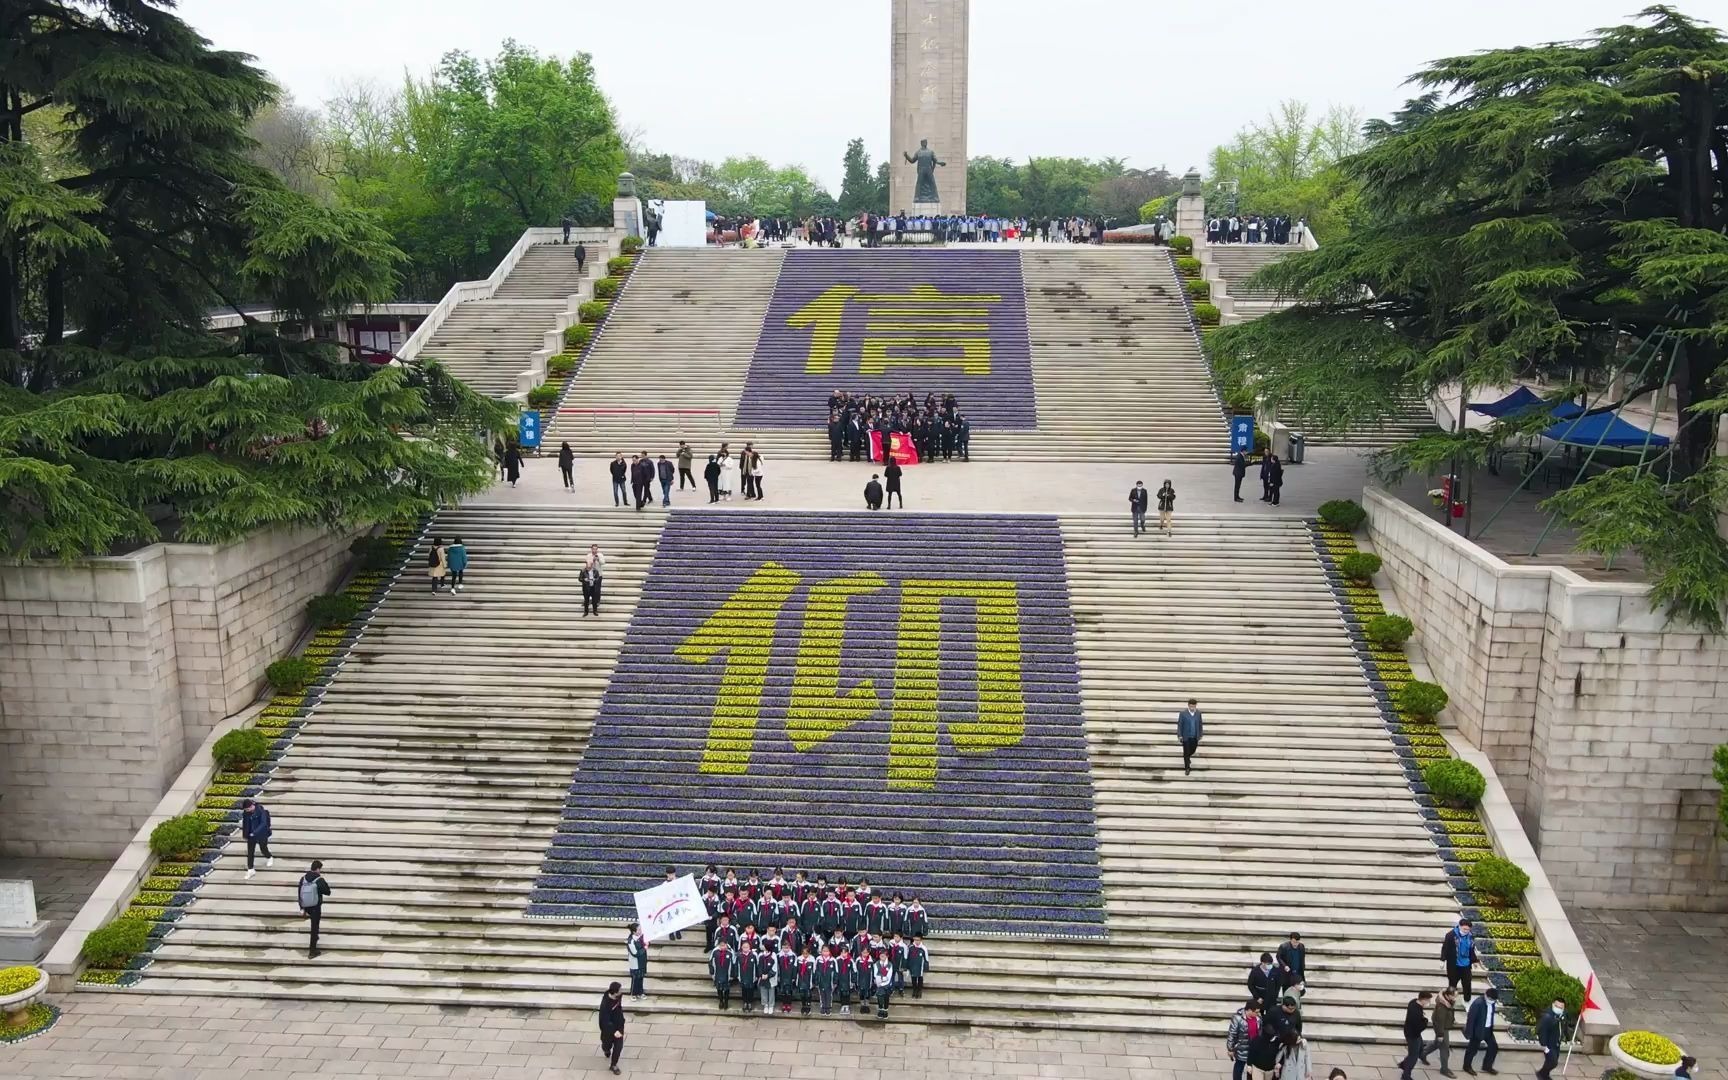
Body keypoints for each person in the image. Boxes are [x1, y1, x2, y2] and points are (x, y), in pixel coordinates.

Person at [1462, 985, 1499, 1075]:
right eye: (1490, 999)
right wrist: (1469, 1033)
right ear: (1486, 995)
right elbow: (1471, 1019)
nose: (1492, 1001)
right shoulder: (1478, 1003)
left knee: (1493, 1047)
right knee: (1472, 1049)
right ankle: (1467, 1066)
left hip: (1488, 1029)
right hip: (1478, 1030)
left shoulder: (1492, 1003)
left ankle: (1487, 1066)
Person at [297, 860, 331, 958]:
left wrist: (301, 908)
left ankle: (315, 938)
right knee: (314, 928)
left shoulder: (303, 878)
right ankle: (312, 951)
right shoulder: (319, 879)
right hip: (315, 907)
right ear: (317, 869)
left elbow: (299, 892)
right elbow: (327, 891)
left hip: (306, 906)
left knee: (314, 928)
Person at [1399, 991, 1434, 1080]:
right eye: (1428, 1000)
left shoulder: (1413, 1002)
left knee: (1419, 1048)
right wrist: (1425, 1022)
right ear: (1424, 1000)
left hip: (1410, 1032)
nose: (1429, 1002)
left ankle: (1403, 1064)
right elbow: (1418, 1027)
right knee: (1413, 1056)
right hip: (1413, 1035)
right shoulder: (1416, 1012)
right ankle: (1406, 1075)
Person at [1426, 987, 1459, 1077]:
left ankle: (1422, 1054)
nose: (1456, 998)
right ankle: (1444, 1069)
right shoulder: (1442, 1006)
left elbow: (1450, 1011)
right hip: (1442, 1028)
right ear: (1448, 996)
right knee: (1445, 1049)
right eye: (1454, 996)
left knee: (1437, 1044)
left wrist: (1452, 1019)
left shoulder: (1449, 1001)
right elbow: (1439, 1021)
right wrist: (1440, 1034)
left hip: (1445, 1025)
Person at [1442, 919, 1478, 1000]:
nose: (1466, 931)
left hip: (1466, 965)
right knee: (1452, 984)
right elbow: (1445, 948)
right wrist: (1442, 960)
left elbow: (1471, 949)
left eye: (1468, 929)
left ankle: (1467, 1000)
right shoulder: (1451, 935)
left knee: (1467, 984)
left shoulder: (1470, 936)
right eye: (1464, 929)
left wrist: (1474, 961)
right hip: (1454, 965)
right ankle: (1450, 999)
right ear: (1460, 926)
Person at [1227, 999, 1260, 1080]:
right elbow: (1232, 1034)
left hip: (1254, 1048)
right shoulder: (1237, 1018)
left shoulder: (1258, 1018)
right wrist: (1230, 1048)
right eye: (1256, 1012)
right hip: (1242, 1048)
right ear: (1249, 1010)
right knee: (1239, 1067)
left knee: (1252, 1069)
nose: (1257, 1013)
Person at [240, 798, 272, 879]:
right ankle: (250, 869)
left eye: (247, 809)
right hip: (250, 836)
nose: (246, 810)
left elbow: (263, 823)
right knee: (250, 852)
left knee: (263, 848)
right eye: (245, 809)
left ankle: (269, 857)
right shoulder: (246, 813)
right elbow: (245, 824)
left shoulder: (261, 811)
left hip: (261, 834)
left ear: (252, 806)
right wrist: (245, 834)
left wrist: (255, 832)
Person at [598, 981, 625, 1075]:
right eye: (620, 990)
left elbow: (619, 1007)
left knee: (619, 1046)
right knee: (607, 1044)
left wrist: (621, 1025)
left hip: (618, 1025)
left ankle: (613, 1065)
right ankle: (606, 1049)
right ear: (614, 993)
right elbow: (605, 1021)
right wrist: (613, 1031)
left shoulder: (619, 996)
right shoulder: (605, 1005)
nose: (622, 991)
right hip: (608, 1029)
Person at [1535, 1000, 1564, 1080]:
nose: (1559, 1008)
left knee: (1551, 1061)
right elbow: (1542, 1031)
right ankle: (1541, 1073)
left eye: (1561, 1007)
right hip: (1549, 1045)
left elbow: (1562, 1027)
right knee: (1553, 1062)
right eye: (1557, 1006)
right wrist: (1544, 1045)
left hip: (1556, 1043)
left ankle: (1545, 1074)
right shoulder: (1547, 1017)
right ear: (1553, 1005)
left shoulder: (1561, 1016)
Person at [1178, 698, 1204, 775]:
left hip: (1194, 736)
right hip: (1186, 736)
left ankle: (1188, 757)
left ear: (1196, 706)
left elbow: (1200, 724)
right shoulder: (1183, 713)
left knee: (1193, 750)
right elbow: (1180, 725)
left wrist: (1201, 734)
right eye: (1191, 706)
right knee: (1186, 752)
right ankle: (1187, 768)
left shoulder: (1198, 713)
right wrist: (1179, 735)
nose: (1192, 708)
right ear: (1188, 706)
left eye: (1194, 706)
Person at [580, 544, 605, 617]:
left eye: (596, 549)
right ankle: (586, 602)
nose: (595, 550)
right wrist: (592, 559)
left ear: (597, 549)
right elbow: (587, 563)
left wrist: (598, 559)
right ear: (591, 549)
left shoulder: (600, 555)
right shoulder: (589, 555)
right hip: (590, 573)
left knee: (597, 589)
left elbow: (603, 563)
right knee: (588, 589)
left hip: (598, 574)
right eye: (593, 549)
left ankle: (597, 601)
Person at [626, 922, 648, 999]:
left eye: (640, 929)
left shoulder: (641, 937)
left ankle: (640, 992)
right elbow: (635, 953)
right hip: (635, 963)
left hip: (642, 961)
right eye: (638, 930)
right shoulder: (631, 941)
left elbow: (645, 942)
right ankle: (633, 994)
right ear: (634, 932)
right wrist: (645, 948)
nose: (640, 931)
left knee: (641, 978)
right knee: (635, 979)